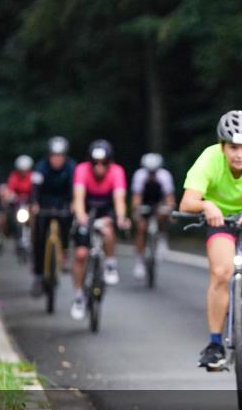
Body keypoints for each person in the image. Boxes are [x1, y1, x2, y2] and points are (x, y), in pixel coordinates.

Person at [179, 110, 242, 370]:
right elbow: (186, 202)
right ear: (222, 146)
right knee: (221, 272)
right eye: (233, 147)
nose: (240, 154)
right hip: (222, 223)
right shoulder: (209, 158)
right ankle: (215, 344)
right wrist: (206, 206)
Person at [69, 140, 129, 320]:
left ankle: (110, 263)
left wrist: (120, 218)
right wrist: (81, 216)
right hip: (87, 210)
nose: (99, 167)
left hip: (106, 210)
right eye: (95, 163)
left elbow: (119, 200)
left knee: (108, 230)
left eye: (104, 163)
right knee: (80, 255)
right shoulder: (81, 170)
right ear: (90, 162)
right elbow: (78, 198)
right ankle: (79, 296)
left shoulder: (117, 172)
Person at [29, 136, 77, 297]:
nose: (57, 159)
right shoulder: (41, 167)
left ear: (65, 156)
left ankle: (64, 251)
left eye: (60, 155)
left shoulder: (71, 167)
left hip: (63, 204)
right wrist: (34, 203)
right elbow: (35, 187)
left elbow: (75, 187)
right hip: (44, 205)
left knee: (68, 224)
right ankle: (38, 275)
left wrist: (73, 203)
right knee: (39, 238)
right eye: (54, 155)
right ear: (49, 156)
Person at [130, 152, 176, 280]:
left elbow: (169, 197)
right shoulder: (139, 176)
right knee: (141, 228)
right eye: (149, 171)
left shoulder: (164, 176)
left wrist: (169, 209)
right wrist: (136, 210)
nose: (151, 174)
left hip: (158, 202)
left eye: (154, 171)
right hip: (144, 202)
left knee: (163, 214)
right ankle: (139, 261)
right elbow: (136, 197)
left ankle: (162, 238)